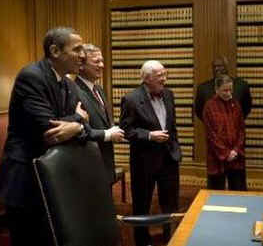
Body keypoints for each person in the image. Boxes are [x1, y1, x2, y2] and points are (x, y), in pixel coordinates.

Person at [0, 27, 88, 246]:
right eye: (77, 49)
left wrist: (76, 125)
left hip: (54, 177)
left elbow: (86, 124)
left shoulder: (69, 83)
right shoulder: (31, 76)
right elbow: (49, 128)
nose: (83, 55)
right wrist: (78, 120)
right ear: (55, 51)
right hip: (26, 179)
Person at [119, 60, 181, 246]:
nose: (164, 79)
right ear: (146, 78)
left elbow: (172, 126)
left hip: (169, 159)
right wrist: (149, 136)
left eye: (165, 74)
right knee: (142, 206)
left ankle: (172, 238)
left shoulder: (169, 95)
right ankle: (143, 241)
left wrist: (177, 149)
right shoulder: (131, 99)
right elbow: (126, 130)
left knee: (171, 205)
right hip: (144, 162)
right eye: (159, 76)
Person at [75, 44, 125, 187]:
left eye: (102, 61)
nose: (102, 65)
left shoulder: (98, 89)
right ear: (81, 65)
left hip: (105, 160)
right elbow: (79, 131)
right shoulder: (74, 90)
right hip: (88, 163)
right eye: (96, 62)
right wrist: (108, 134)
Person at [203, 74, 247, 191]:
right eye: (224, 90)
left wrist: (236, 150)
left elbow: (241, 130)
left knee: (239, 192)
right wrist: (226, 153)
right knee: (216, 194)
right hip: (217, 157)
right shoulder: (209, 106)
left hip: (236, 156)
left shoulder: (236, 104)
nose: (228, 93)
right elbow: (211, 135)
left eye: (230, 90)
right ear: (216, 90)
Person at [195, 56, 252, 121]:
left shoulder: (241, 85)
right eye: (214, 67)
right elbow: (199, 111)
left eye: (220, 66)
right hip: (214, 128)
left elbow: (246, 108)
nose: (217, 69)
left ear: (226, 67)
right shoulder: (203, 88)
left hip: (234, 126)